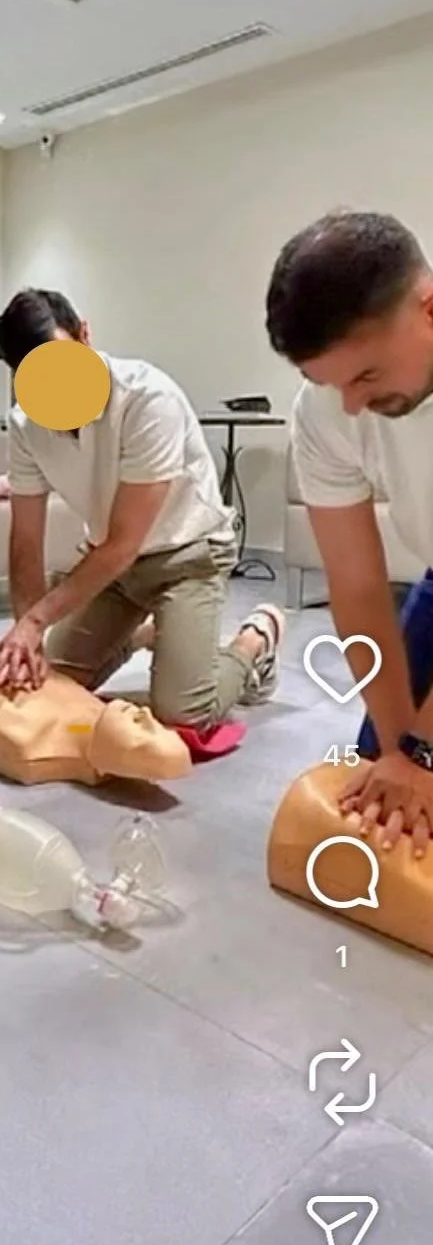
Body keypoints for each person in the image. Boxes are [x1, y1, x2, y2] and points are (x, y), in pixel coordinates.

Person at [0, 288, 283, 730]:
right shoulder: (25, 425)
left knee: (184, 715)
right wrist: (28, 636)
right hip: (113, 570)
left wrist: (37, 619)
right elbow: (25, 540)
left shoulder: (147, 399)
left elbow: (126, 541)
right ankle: (150, 634)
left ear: (85, 335)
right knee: (49, 686)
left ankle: (254, 640)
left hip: (188, 557)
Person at [267, 208, 433, 857]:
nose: (350, 405)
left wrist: (421, 750)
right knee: (379, 778)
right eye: (325, 382)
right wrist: (399, 748)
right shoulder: (326, 409)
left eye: (365, 375)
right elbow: (357, 585)